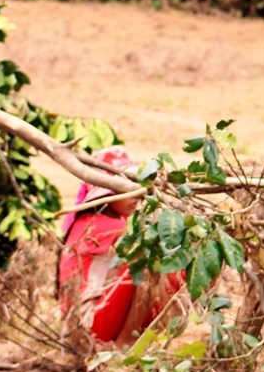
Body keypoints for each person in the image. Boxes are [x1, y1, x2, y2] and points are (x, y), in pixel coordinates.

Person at [58, 147, 182, 349]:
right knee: (149, 261)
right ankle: (126, 343)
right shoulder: (103, 225)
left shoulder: (93, 220)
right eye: (124, 188)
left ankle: (143, 342)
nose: (135, 195)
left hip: (85, 323)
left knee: (170, 269)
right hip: (87, 325)